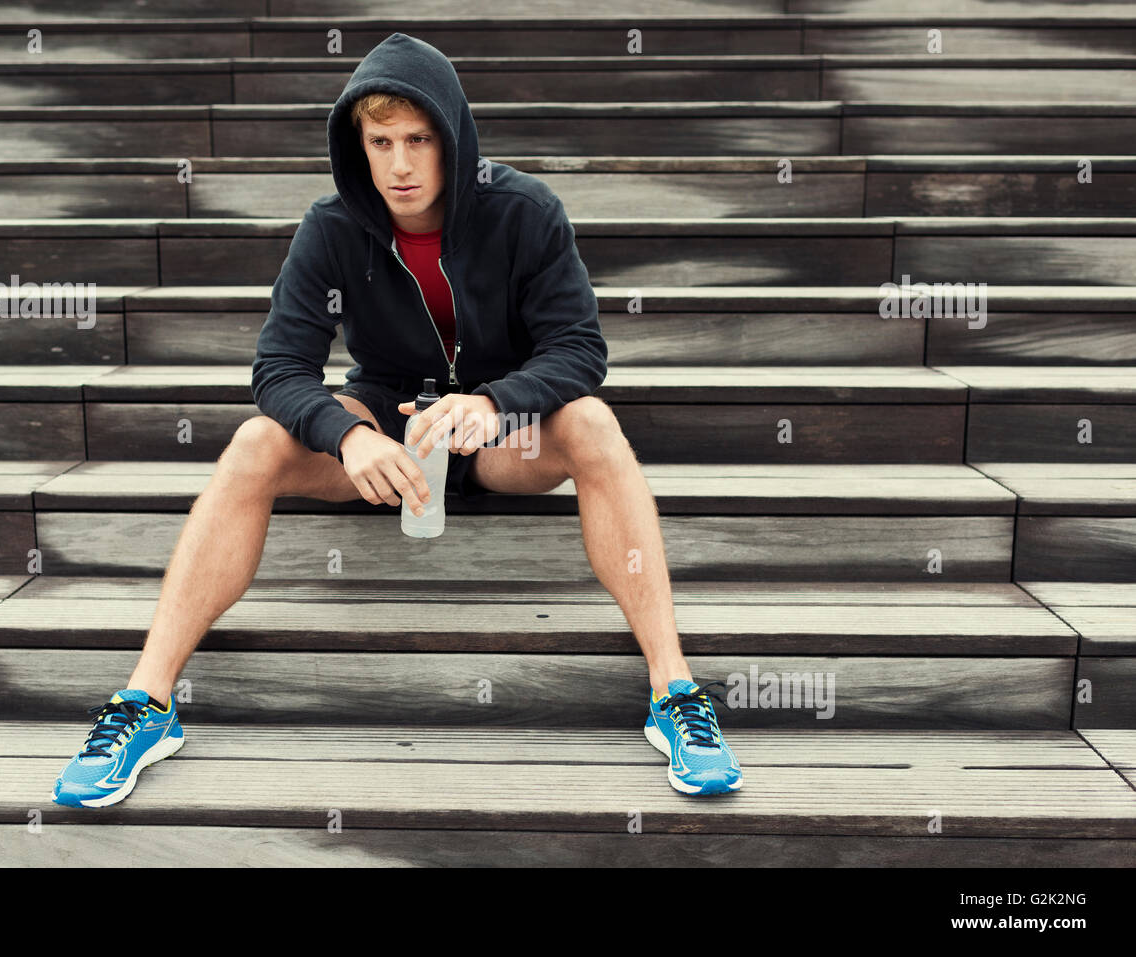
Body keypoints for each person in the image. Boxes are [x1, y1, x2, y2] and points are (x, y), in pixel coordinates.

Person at [51, 33, 740, 808]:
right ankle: (147, 703)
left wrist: (495, 401)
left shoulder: (524, 212)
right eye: (380, 142)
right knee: (254, 442)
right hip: (382, 423)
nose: (401, 164)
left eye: (418, 140)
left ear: (452, 140)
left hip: (495, 435)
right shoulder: (333, 227)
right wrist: (348, 435)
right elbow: (277, 368)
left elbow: (579, 349)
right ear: (359, 146)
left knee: (593, 423)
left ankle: (673, 692)